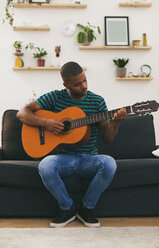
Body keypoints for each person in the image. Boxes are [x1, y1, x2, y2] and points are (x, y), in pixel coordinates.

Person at [17, 61, 127, 228]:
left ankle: (86, 208)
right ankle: (67, 208)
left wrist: (117, 123)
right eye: (77, 84)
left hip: (89, 158)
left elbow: (108, 139)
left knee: (109, 163)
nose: (83, 86)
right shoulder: (54, 97)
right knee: (45, 165)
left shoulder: (97, 101)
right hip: (63, 159)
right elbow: (22, 113)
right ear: (65, 84)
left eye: (85, 81)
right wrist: (46, 122)